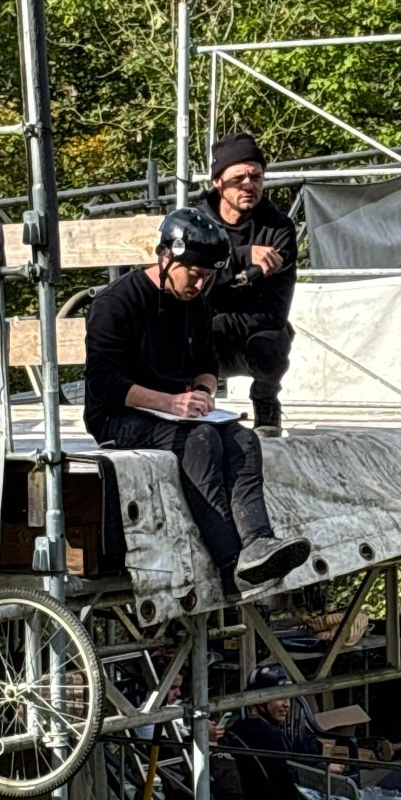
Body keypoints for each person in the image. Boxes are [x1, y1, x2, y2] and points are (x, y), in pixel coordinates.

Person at [83, 206, 311, 600]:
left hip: (175, 412)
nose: (201, 284)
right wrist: (170, 403)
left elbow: (208, 364)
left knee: (243, 439)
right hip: (119, 416)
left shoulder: (197, 301)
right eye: (194, 274)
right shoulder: (116, 303)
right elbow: (104, 383)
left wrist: (204, 392)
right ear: (166, 257)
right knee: (200, 442)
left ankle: (258, 542)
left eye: (208, 276)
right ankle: (230, 565)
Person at [198, 132, 298, 437]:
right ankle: (196, 407)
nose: (248, 185)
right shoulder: (196, 224)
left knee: (274, 341)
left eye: (256, 177)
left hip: (253, 331)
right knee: (181, 331)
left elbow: (276, 310)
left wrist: (222, 284)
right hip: (204, 328)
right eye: (238, 178)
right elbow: (191, 288)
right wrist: (242, 259)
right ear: (218, 181)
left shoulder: (278, 228)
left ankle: (266, 401)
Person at [227, 664, 303, 800]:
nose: (286, 704)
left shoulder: (236, 729)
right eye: (279, 697)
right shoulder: (273, 737)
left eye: (288, 698)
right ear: (259, 700)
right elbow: (286, 788)